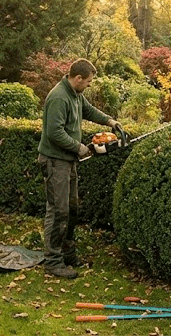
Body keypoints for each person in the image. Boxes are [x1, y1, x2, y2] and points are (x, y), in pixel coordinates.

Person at [37, 58, 120, 279]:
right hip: (55, 162)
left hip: (68, 161)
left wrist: (110, 122)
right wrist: (80, 148)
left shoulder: (75, 94)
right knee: (58, 211)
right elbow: (54, 133)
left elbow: (89, 110)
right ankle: (53, 261)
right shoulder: (58, 97)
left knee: (72, 209)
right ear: (78, 78)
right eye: (89, 81)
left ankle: (68, 253)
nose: (90, 85)